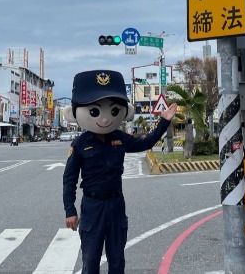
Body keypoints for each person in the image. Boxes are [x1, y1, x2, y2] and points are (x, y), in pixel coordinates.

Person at [62, 70, 177, 274]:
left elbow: (146, 142)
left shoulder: (120, 138)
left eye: (113, 111)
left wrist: (164, 121)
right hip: (92, 206)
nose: (105, 119)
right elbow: (69, 179)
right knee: (90, 260)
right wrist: (70, 210)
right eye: (95, 111)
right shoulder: (80, 144)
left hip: (116, 204)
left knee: (117, 260)